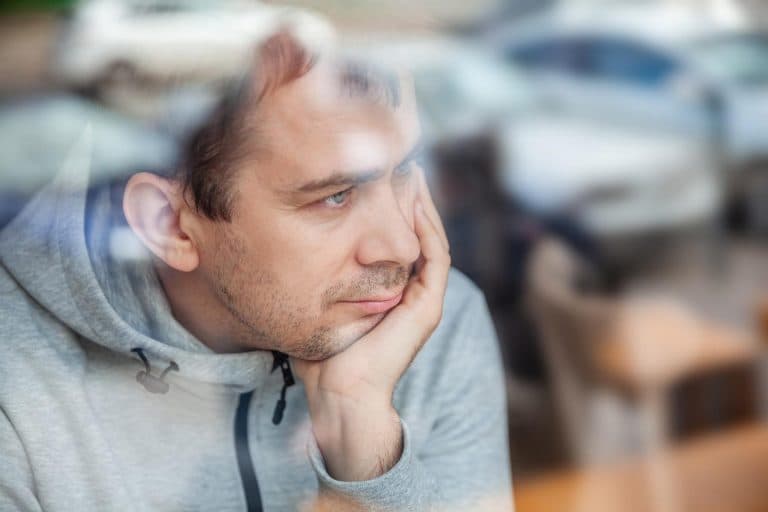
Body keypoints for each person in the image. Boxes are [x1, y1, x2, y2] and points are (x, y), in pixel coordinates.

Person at [0, 31, 513, 511]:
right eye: (335, 196)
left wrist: (360, 431)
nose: (403, 248)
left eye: (402, 171)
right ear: (169, 225)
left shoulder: (431, 320)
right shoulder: (16, 381)